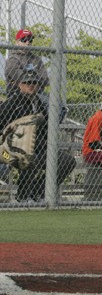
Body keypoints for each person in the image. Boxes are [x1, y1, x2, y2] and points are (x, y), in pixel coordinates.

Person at [0, 70, 75, 203]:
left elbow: (45, 130)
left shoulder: (39, 103)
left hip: (36, 148)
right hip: (7, 151)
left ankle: (37, 192)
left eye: (34, 82)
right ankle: (23, 197)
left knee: (67, 161)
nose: (31, 85)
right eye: (27, 82)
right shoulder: (12, 104)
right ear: (20, 85)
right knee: (29, 158)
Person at [5, 29, 49, 96]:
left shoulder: (37, 59)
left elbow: (45, 79)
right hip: (17, 96)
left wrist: (29, 78)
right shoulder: (13, 59)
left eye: (30, 40)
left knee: (54, 102)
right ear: (17, 42)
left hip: (38, 94)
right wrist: (36, 79)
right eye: (24, 40)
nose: (27, 42)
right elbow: (21, 78)